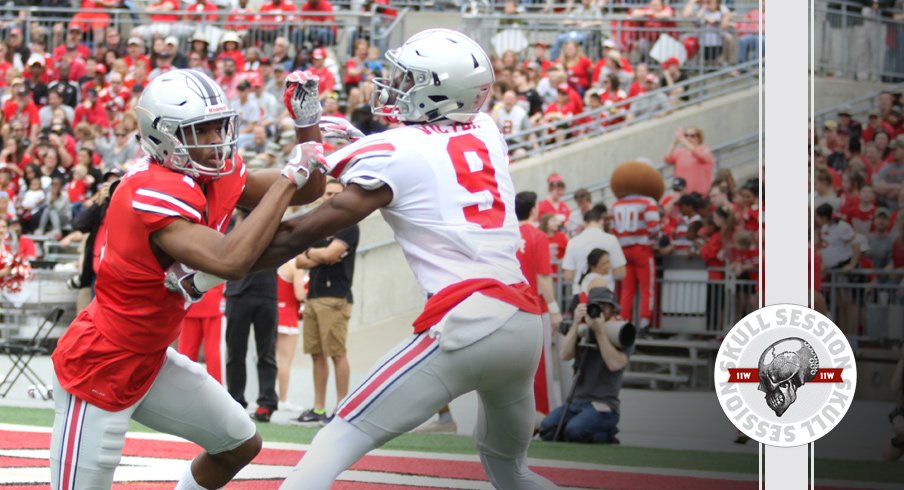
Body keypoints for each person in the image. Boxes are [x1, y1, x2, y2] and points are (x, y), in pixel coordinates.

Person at [186, 28, 555, 489]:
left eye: (409, 79)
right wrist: (357, 143)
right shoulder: (486, 130)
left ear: (438, 90)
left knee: (339, 434)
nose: (395, 86)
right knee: (510, 470)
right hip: (521, 326)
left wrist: (209, 273)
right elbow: (431, 164)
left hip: (467, 322)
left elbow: (298, 229)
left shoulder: (395, 151)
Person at [48, 68, 327, 489]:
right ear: (164, 136)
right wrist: (290, 176)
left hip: (150, 355)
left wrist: (308, 129)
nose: (217, 141)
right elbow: (231, 259)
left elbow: (310, 190)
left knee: (239, 443)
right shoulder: (149, 188)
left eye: (219, 127)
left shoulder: (215, 172)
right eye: (202, 130)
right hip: (100, 364)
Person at [294, 178, 360, 425]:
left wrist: (316, 254)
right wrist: (320, 255)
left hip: (336, 298)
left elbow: (331, 253)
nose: (330, 197)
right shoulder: (318, 226)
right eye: (327, 193)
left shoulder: (349, 226)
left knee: (336, 353)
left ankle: (342, 407)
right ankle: (319, 408)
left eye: (335, 194)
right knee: (316, 355)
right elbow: (299, 261)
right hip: (313, 297)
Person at [538, 287, 630, 443]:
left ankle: (608, 435)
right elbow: (564, 355)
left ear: (612, 309)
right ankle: (578, 433)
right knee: (547, 427)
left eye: (604, 306)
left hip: (604, 405)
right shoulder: (582, 330)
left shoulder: (622, 332)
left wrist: (600, 332)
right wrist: (575, 324)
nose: (600, 310)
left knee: (574, 431)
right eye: (596, 305)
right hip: (576, 402)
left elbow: (615, 364)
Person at [224, 251, 280, 423]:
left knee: (267, 352)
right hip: (237, 293)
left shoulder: (270, 224)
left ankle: (267, 404)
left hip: (267, 293)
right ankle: (235, 401)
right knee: (235, 352)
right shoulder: (232, 224)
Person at [276, 255, 307, 412]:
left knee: (274, 359)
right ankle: (282, 398)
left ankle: (270, 395)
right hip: (288, 316)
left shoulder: (276, 262)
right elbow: (299, 294)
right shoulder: (296, 265)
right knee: (285, 361)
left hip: (274, 313)